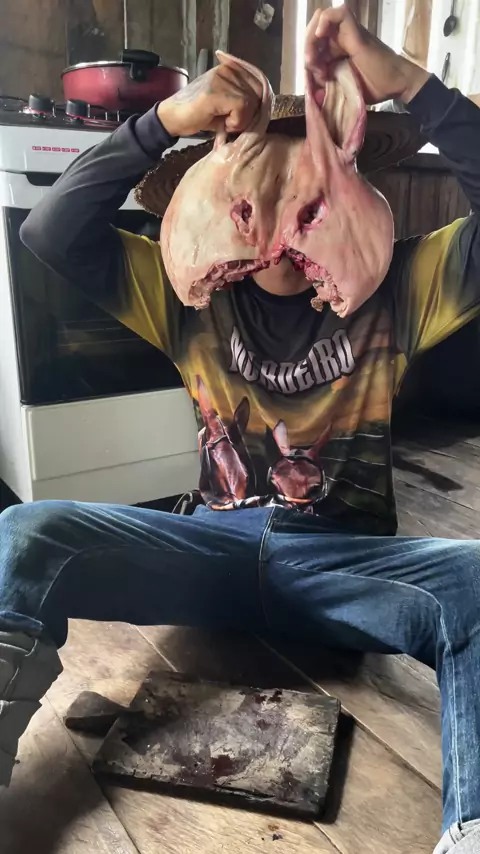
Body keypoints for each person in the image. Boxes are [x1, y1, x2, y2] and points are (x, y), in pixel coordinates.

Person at [1, 5, 480, 852]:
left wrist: (412, 82)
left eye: (309, 190)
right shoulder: (185, 293)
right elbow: (50, 229)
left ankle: (471, 827)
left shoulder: (402, 287)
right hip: (207, 554)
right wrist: (164, 121)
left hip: (344, 565)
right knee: (26, 529)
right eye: (259, 186)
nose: (284, 217)